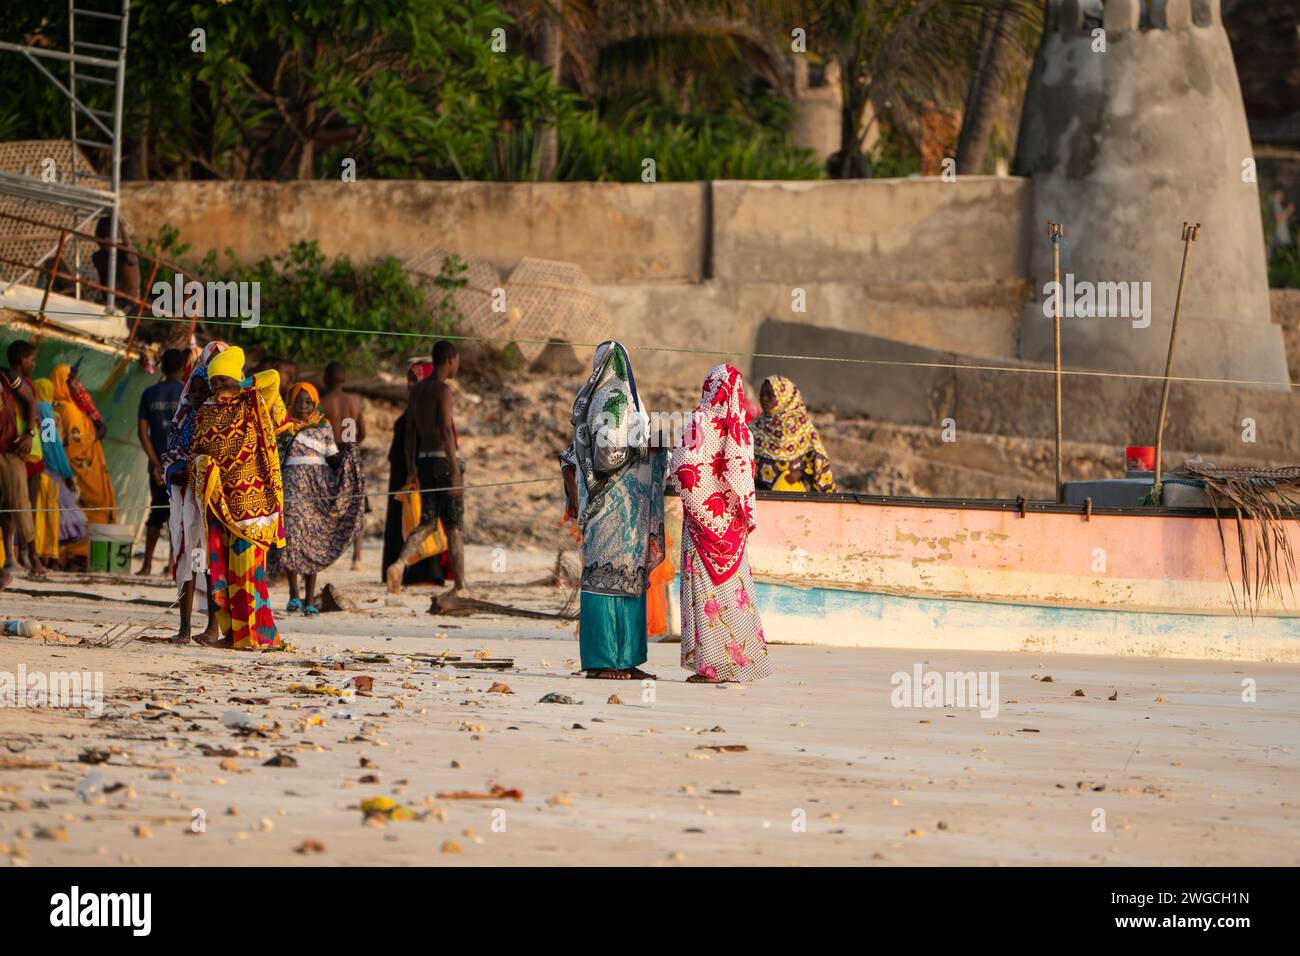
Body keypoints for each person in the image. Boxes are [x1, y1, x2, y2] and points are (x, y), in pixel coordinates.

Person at [560, 340, 666, 680]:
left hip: (610, 510)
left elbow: (573, 455)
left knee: (619, 581)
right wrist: (647, 450)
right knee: (611, 581)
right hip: (617, 508)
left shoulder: (593, 400)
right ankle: (608, 661)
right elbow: (609, 456)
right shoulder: (618, 399)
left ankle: (618, 660)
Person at [670, 363, 773, 683]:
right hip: (732, 527)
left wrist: (701, 511)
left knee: (706, 596)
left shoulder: (698, 421)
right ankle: (736, 664)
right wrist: (730, 515)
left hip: (703, 527)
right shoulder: (740, 427)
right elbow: (742, 477)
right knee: (733, 593)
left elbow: (683, 469)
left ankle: (710, 667)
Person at [188, 346, 286, 650]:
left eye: (224, 380)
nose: (219, 387)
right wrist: (200, 467)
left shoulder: (254, 401)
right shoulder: (206, 412)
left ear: (238, 378)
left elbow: (273, 378)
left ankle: (253, 638)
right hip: (219, 505)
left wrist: (241, 386)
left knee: (246, 576)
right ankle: (233, 635)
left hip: (253, 508)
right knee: (221, 573)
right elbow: (197, 451)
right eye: (215, 382)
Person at [385, 341, 466, 594]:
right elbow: (445, 429)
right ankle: (461, 586)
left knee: (427, 522)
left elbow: (410, 432)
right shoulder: (443, 390)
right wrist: (454, 469)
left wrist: (411, 467)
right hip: (443, 460)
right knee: (453, 525)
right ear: (450, 360)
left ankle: (398, 565)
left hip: (424, 461)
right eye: (457, 361)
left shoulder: (417, 391)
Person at [278, 382, 365, 615]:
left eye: (308, 402)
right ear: (291, 402)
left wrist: (349, 450)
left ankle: (309, 599)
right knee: (292, 538)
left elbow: (333, 458)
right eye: (298, 401)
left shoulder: (324, 426)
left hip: (317, 489)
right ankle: (293, 595)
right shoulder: (283, 427)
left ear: (315, 403)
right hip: (291, 488)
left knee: (313, 539)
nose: (303, 406)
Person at [160, 342, 226, 645]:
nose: (199, 396)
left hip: (211, 505)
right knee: (186, 559)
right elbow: (172, 459)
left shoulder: (221, 420)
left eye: (205, 391)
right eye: (195, 391)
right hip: (186, 503)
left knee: (209, 563)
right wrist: (183, 470)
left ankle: (213, 626)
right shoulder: (184, 420)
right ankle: (185, 627)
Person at [381, 360, 445, 588]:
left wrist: (413, 471)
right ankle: (402, 572)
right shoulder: (415, 405)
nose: (411, 383)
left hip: (417, 472)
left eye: (416, 378)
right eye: (409, 378)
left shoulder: (427, 407)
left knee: (420, 518)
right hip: (402, 474)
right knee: (403, 520)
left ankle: (424, 573)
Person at [136, 348, 187, 574]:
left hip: (156, 467)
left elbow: (142, 433)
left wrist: (157, 465)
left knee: (156, 513)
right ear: (183, 367)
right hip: (181, 466)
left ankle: (146, 565)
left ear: (162, 367)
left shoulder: (149, 393)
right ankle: (171, 566)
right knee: (179, 515)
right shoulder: (188, 393)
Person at [49, 364, 116, 525]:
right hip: (83, 471)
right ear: (64, 383)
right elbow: (77, 441)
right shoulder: (68, 410)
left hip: (74, 469)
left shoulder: (57, 406)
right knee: (96, 508)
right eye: (75, 381)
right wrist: (96, 434)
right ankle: (81, 549)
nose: (78, 386)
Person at [750, 374, 836, 493]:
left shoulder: (802, 428)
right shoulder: (754, 427)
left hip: (792, 499)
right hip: (758, 498)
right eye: (762, 394)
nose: (764, 398)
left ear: (785, 398)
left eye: (770, 394)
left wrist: (801, 473)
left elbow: (819, 465)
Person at [320, 361, 368, 571]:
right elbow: (363, 431)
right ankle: (356, 558)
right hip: (351, 450)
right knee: (357, 503)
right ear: (345, 379)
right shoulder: (355, 401)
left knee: (327, 503)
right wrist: (354, 445)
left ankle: (324, 551)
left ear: (325, 379)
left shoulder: (323, 402)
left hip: (331, 454)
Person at [33, 378, 86, 566]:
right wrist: (66, 471)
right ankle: (47, 555)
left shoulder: (32, 407)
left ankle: (42, 553)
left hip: (35, 468)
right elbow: (50, 444)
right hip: (49, 470)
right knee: (50, 514)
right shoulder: (45, 410)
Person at [0, 351, 39, 577]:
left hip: (17, 454)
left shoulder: (7, 378)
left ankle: (31, 556)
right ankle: (18, 556)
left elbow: (50, 437)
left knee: (20, 505)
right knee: (15, 506)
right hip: (31, 460)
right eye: (30, 358)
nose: (33, 363)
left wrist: (30, 433)